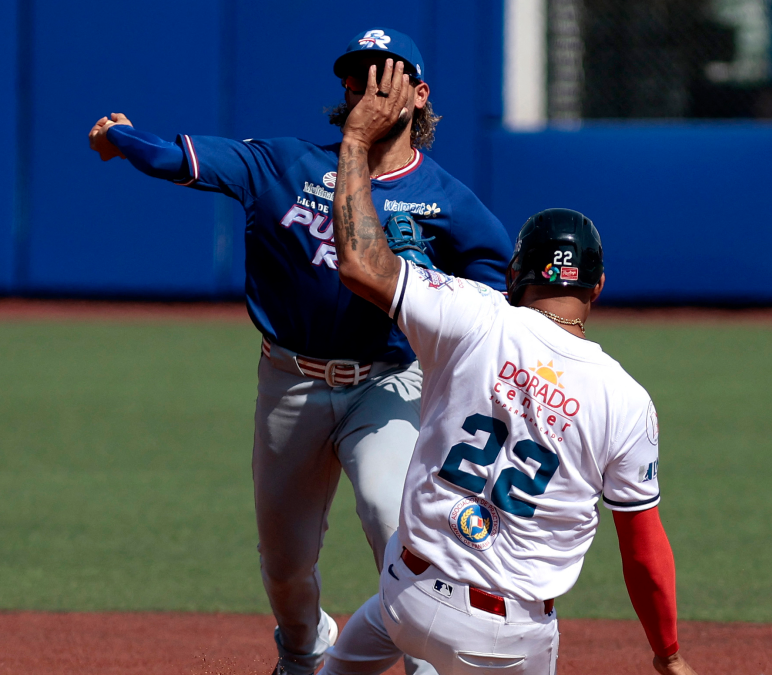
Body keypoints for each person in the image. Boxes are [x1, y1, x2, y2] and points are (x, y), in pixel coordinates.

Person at [87, 28, 513, 675]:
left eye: (384, 74)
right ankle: (303, 648)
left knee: (391, 519)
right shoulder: (285, 165)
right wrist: (118, 137)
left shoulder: (446, 201)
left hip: (388, 382)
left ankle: (428, 662)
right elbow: (173, 158)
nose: (366, 86)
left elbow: (498, 285)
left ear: (419, 94)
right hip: (289, 383)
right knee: (285, 565)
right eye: (356, 74)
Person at [320, 61, 699, 675]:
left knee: (363, 642)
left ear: (516, 271)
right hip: (505, 640)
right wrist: (669, 654)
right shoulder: (627, 401)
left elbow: (361, 264)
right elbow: (645, 552)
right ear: (597, 288)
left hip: (407, 594)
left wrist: (358, 142)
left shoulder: (473, 312)